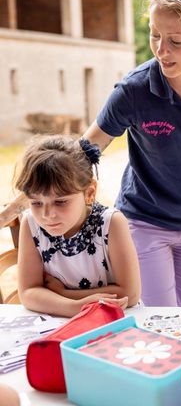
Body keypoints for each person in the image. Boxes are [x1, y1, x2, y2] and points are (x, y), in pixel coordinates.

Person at [1, 0, 181, 308]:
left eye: (176, 41)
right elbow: (82, 152)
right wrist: (18, 205)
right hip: (143, 223)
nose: (162, 50)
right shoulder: (134, 91)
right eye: (154, 36)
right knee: (155, 321)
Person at [15, 136, 140, 317]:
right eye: (36, 203)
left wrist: (64, 294)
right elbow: (28, 292)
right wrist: (75, 307)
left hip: (114, 321)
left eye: (60, 201)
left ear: (89, 193)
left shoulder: (111, 223)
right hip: (58, 323)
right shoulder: (31, 224)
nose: (47, 214)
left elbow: (130, 294)